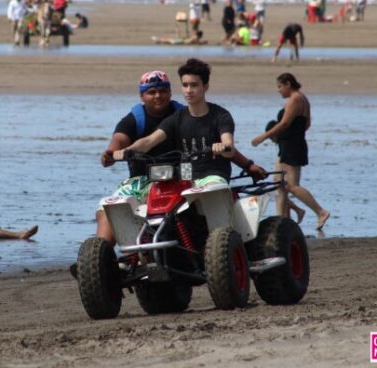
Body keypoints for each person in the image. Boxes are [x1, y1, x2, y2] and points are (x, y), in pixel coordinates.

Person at [113, 58, 266, 190]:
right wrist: (127, 151)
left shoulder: (220, 115)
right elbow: (149, 141)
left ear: (205, 87)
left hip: (213, 178)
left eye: (194, 85)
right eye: (185, 85)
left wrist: (223, 148)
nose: (189, 90)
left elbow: (229, 147)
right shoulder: (176, 118)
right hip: (184, 180)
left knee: (211, 192)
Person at [96, 70, 184, 244]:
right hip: (139, 181)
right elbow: (119, 140)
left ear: (170, 93)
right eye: (152, 92)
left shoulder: (182, 116)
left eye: (162, 91)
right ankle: (100, 257)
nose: (158, 96)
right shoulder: (135, 119)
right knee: (108, 209)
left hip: (178, 178)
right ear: (142, 95)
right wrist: (111, 154)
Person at [251, 73, 330, 230]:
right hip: (291, 144)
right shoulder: (303, 99)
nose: (279, 91)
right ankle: (283, 221)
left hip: (292, 146)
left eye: (280, 87)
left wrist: (264, 137)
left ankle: (320, 211)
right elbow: (306, 124)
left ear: (288, 84)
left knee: (292, 185)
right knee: (277, 185)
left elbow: (285, 123)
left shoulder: (295, 99)